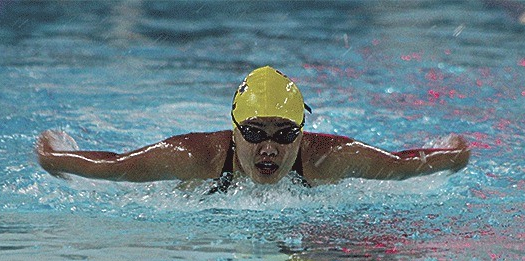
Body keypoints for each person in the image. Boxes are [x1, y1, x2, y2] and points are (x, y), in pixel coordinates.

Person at [36, 66, 470, 193]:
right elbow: (116, 167)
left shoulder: (326, 157)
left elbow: (400, 166)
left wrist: (452, 155)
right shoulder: (195, 156)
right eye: (254, 132)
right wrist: (58, 158)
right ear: (233, 131)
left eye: (284, 134)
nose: (269, 147)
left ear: (301, 133)